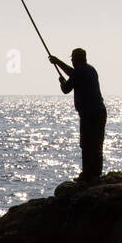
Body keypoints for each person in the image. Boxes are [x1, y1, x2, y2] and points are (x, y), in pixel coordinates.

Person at [49, 48, 107, 182]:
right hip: (100, 111)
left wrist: (62, 81)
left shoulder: (78, 72)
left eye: (72, 60)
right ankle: (95, 174)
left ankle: (87, 175)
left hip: (89, 114)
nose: (72, 62)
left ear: (75, 60)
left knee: (86, 144)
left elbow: (66, 89)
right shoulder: (90, 70)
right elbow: (73, 73)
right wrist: (57, 62)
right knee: (97, 144)